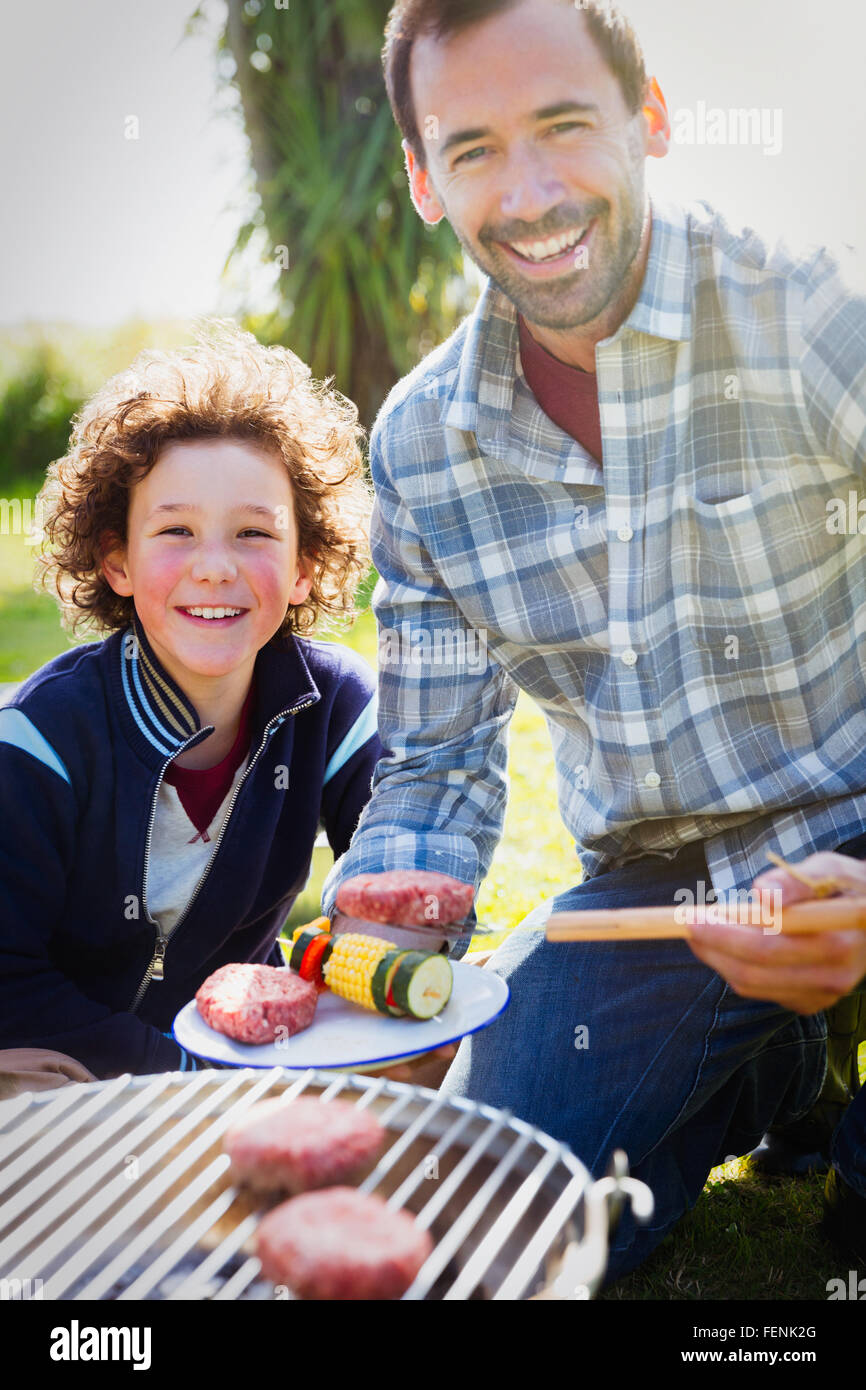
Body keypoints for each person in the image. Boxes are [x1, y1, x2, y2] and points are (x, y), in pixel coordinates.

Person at [322, 0, 866, 1281]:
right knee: (474, 1219)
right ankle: (772, 1061)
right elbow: (434, 761)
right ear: (421, 179)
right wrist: (387, 952)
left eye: (564, 126)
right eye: (472, 149)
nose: (530, 190)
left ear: (650, 121)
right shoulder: (415, 447)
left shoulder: (805, 311)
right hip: (653, 893)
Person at [0, 322, 382, 1080]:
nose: (214, 567)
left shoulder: (335, 709)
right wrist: (187, 1080)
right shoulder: (40, 741)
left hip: (235, 1057)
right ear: (117, 561)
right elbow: (8, 981)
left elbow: (391, 887)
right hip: (79, 1065)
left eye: (252, 533)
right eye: (176, 530)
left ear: (306, 566)